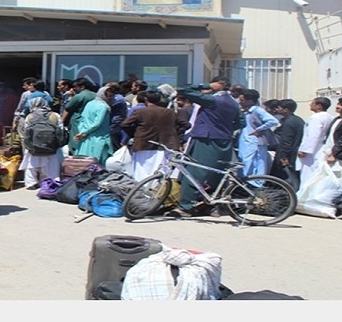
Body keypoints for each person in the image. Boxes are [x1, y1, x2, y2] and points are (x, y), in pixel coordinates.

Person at [170, 76, 245, 217]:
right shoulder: (234, 103)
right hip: (225, 141)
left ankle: (185, 207)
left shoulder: (212, 100)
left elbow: (182, 89)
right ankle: (212, 206)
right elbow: (241, 123)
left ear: (218, 85)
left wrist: (206, 84)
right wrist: (225, 130)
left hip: (206, 139)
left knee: (194, 172)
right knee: (217, 174)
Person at [120, 90, 191, 181]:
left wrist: (134, 134)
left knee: (142, 171)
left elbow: (124, 124)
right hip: (165, 144)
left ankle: (142, 190)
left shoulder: (140, 112)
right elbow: (186, 125)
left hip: (144, 143)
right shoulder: (169, 112)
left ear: (146, 99)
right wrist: (175, 133)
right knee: (161, 171)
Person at [18, 97, 64, 190]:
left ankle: (31, 183)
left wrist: (28, 144)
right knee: (51, 163)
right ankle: (51, 181)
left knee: (31, 164)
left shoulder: (30, 116)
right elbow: (61, 130)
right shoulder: (55, 115)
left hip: (34, 145)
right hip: (51, 145)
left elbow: (26, 132)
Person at [237, 89, 280, 182]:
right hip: (246, 142)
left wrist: (259, 129)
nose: (239, 102)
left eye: (242, 100)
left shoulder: (257, 110)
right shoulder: (246, 111)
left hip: (254, 142)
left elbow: (273, 121)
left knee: (256, 163)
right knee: (245, 163)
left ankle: (257, 184)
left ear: (250, 101)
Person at [295, 97, 334, 192]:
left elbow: (313, 135)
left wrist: (305, 150)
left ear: (319, 106)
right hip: (321, 148)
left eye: (312, 103)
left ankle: (305, 195)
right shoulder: (330, 117)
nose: (310, 105)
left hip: (313, 152)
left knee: (308, 175)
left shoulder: (316, 118)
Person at [269, 98, 304, 191]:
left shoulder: (289, 122)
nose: (277, 109)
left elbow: (286, 140)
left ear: (286, 109)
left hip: (288, 153)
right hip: (293, 151)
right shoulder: (297, 120)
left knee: (284, 177)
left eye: (279, 107)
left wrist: (283, 156)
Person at [73, 85, 114, 166]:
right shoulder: (103, 107)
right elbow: (97, 123)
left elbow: (82, 120)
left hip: (85, 139)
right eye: (109, 96)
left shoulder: (89, 104)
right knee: (98, 164)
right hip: (99, 138)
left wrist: (82, 132)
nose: (111, 98)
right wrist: (85, 132)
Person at [61, 77, 97, 155]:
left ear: (82, 87)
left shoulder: (79, 96)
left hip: (77, 121)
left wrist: (61, 121)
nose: (73, 89)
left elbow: (68, 108)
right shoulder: (95, 95)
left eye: (75, 87)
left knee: (75, 140)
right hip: (91, 121)